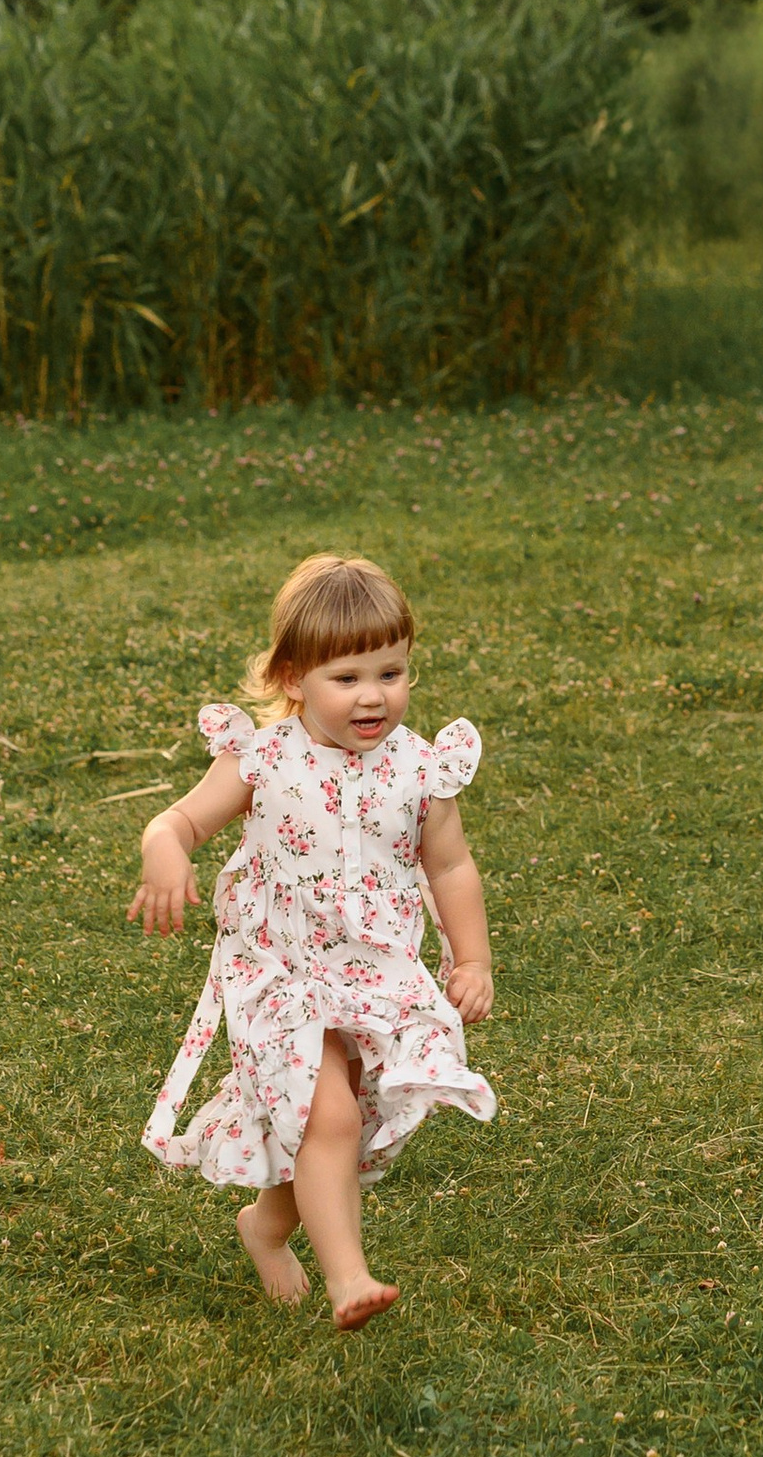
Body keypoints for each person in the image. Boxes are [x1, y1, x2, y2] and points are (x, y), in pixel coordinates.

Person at [133, 553, 495, 1332]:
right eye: (348, 677)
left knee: (341, 1127)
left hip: (375, 978)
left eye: (391, 672)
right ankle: (349, 1278)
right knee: (326, 1118)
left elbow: (451, 865)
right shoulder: (262, 759)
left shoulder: (421, 769)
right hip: (281, 973)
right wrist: (164, 846)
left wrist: (471, 959)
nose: (374, 695)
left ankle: (267, 1227)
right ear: (293, 678)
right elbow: (181, 820)